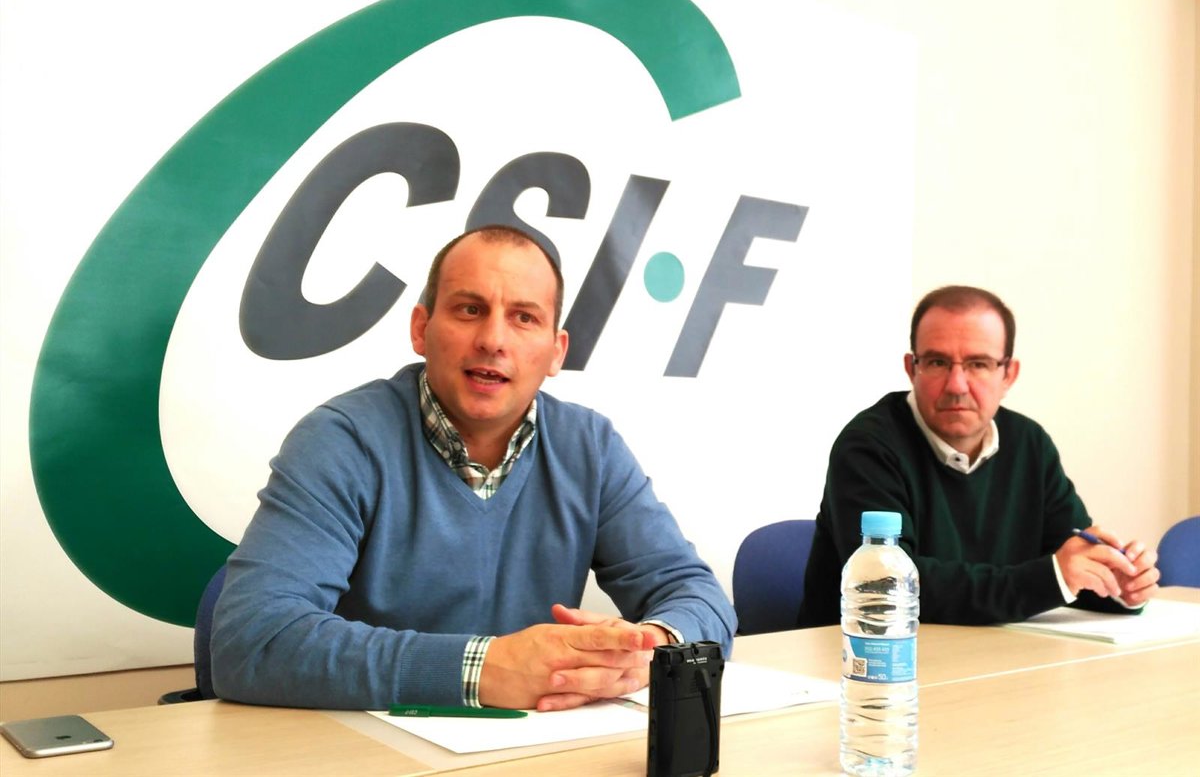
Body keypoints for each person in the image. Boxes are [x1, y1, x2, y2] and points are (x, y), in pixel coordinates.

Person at [211, 225, 736, 711]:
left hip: (534, 748)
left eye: (524, 317)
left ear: (556, 352)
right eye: (469, 310)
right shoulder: (341, 440)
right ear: (421, 329)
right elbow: (252, 641)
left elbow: (698, 596)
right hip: (368, 752)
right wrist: (483, 668)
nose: (493, 340)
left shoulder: (590, 447)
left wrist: (650, 651)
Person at [796, 285, 1159, 627]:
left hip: (994, 657)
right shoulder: (868, 447)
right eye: (937, 362)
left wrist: (1121, 584)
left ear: (1008, 374)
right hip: (866, 660)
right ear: (911, 369)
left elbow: (1068, 568)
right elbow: (890, 584)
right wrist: (1053, 578)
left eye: (978, 364)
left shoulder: (1030, 444)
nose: (957, 385)